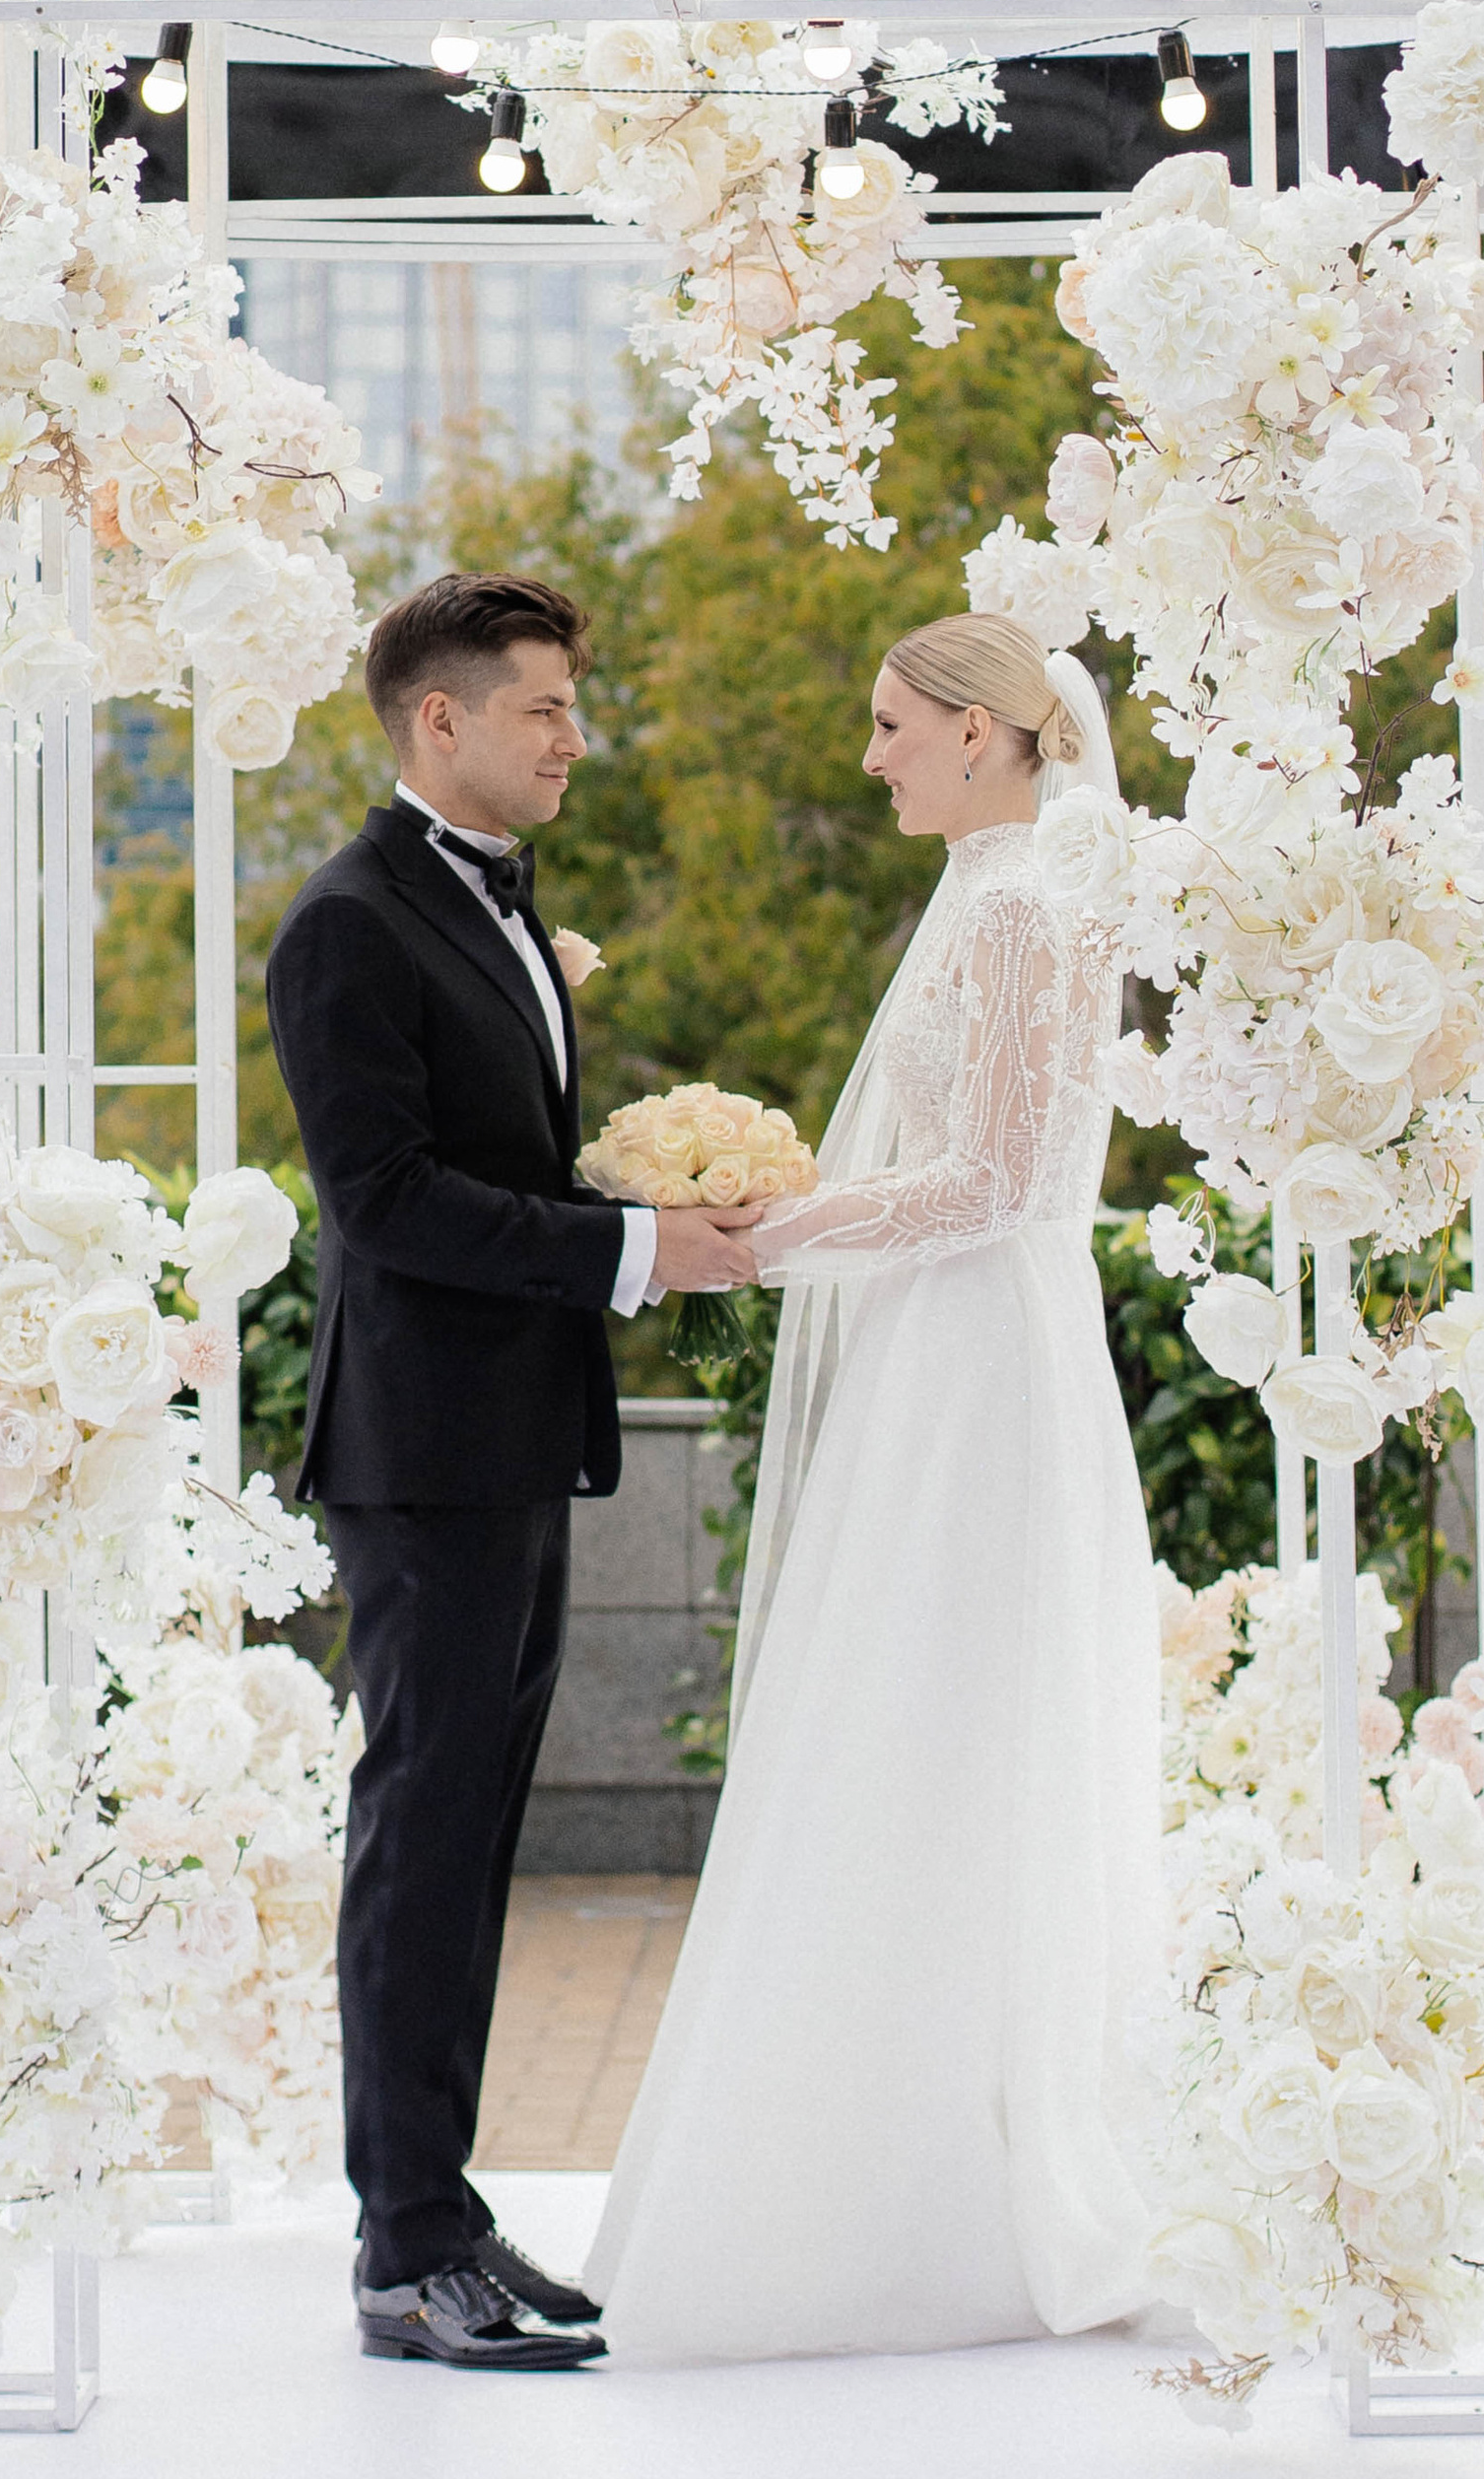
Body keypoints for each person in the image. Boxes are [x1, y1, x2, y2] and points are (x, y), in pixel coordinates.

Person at [586, 612, 1163, 2364]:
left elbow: (991, 1181)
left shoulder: (1022, 906)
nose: (874, 755)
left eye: (896, 724)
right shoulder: (992, 893)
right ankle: (880, 2159)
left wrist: (762, 1235)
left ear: (990, 734)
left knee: (941, 1720)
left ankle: (933, 2195)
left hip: (979, 1354)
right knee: (905, 1725)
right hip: (952, 1346)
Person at [265, 571, 760, 2372]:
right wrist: (639, 1257)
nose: (574, 737)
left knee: (468, 1842)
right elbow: (381, 1204)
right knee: (419, 1843)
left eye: (570, 704)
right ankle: (403, 2249)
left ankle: (443, 2213)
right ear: (438, 723)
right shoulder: (346, 924)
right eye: (543, 707)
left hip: (507, 1442)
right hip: (420, 1457)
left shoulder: (496, 904)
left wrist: (643, 1214)